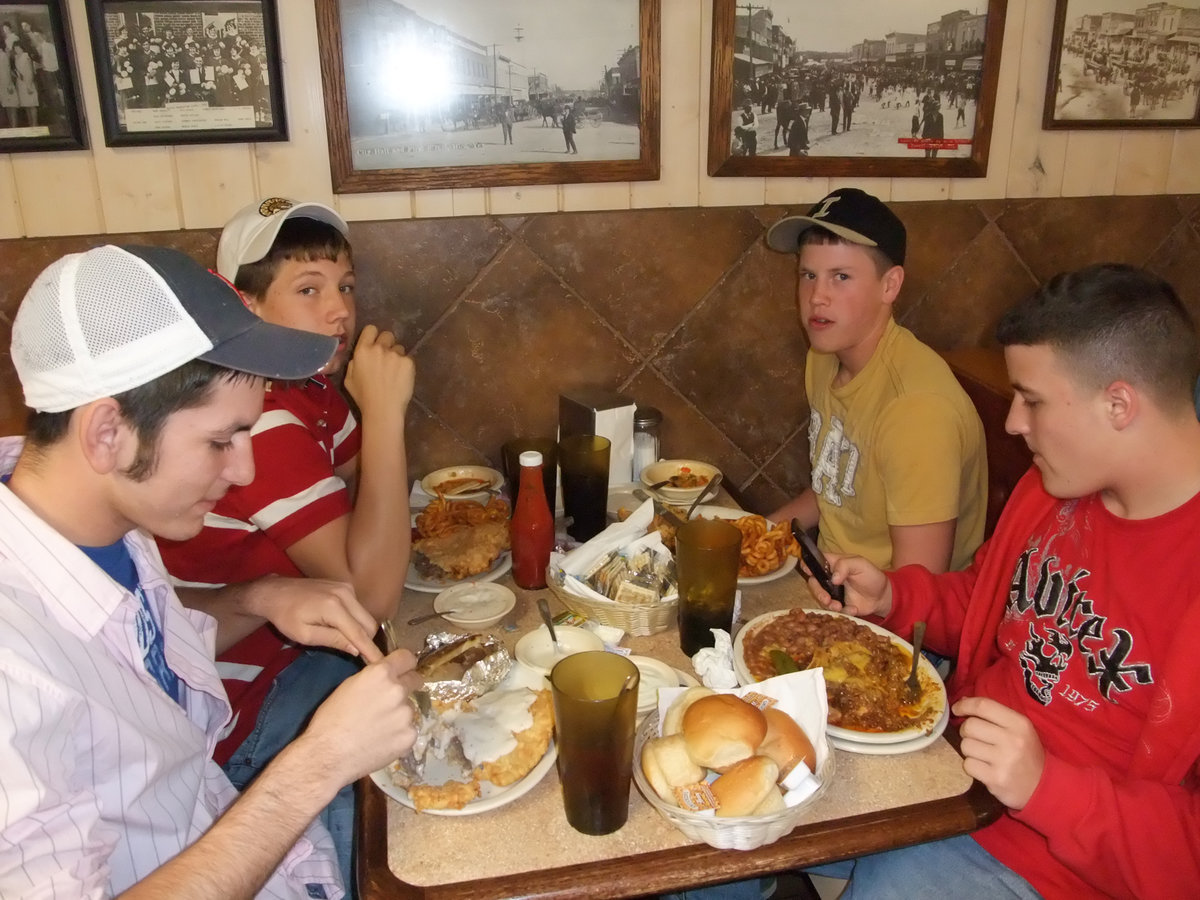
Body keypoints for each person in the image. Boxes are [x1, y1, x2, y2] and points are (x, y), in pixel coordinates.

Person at [0, 243, 422, 898]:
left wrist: (259, 597)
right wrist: (314, 765)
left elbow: (143, 653)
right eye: (220, 441)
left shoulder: (106, 526)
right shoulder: (12, 672)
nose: (244, 471)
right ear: (105, 432)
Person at [803, 263, 1200, 898]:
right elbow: (988, 599)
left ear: (1119, 403)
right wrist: (895, 596)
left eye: (1033, 400)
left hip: (1056, 865)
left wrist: (1048, 787)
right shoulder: (1052, 490)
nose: (1014, 422)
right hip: (945, 774)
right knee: (722, 807)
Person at [155, 198, 413, 880]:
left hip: (287, 653)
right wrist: (386, 412)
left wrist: (369, 422)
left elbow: (368, 503)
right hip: (242, 716)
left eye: (345, 287)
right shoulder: (260, 417)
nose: (340, 311)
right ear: (244, 304)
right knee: (415, 720)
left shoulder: (310, 392)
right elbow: (375, 593)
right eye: (308, 290)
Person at [765, 188, 987, 575]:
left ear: (890, 285)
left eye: (841, 277)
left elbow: (918, 592)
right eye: (808, 274)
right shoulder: (824, 356)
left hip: (892, 618)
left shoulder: (918, 412)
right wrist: (758, 533)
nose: (817, 297)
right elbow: (835, 489)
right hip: (827, 577)